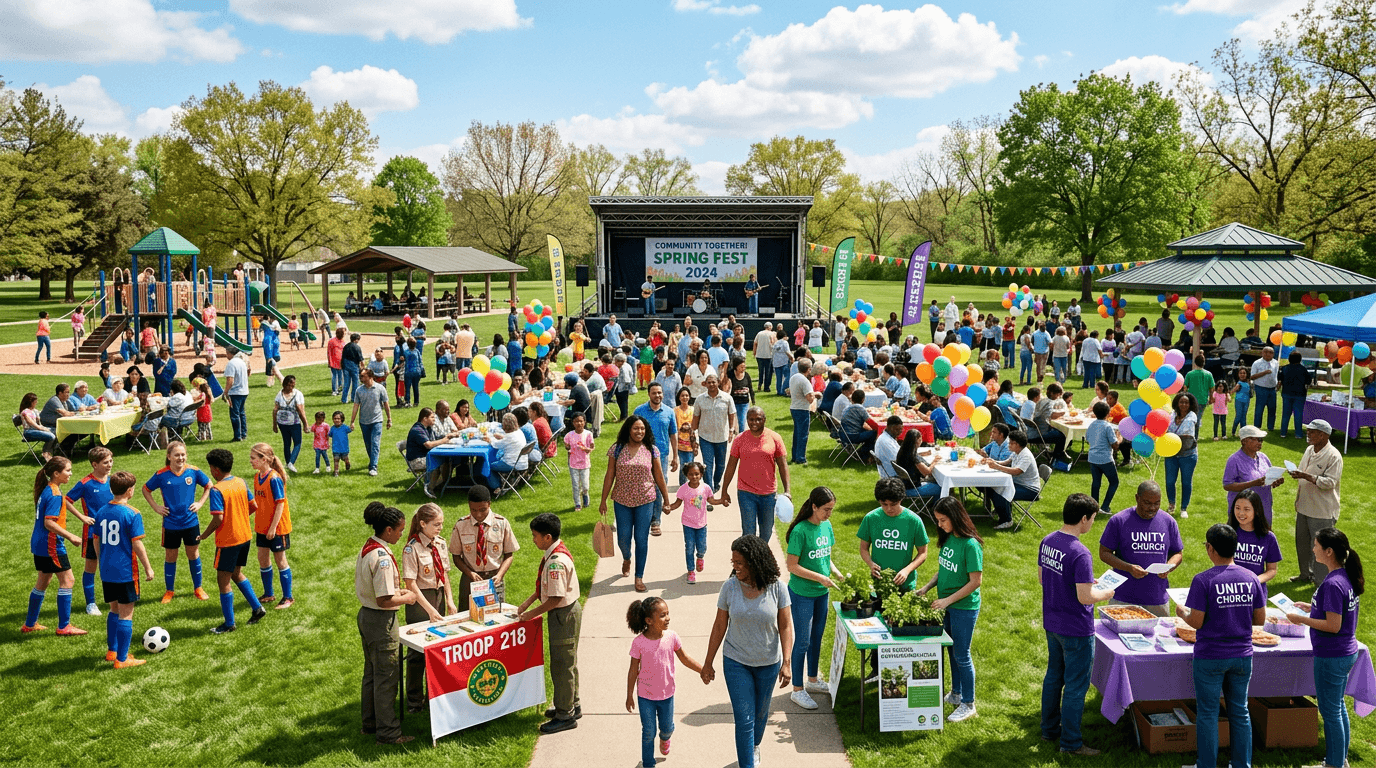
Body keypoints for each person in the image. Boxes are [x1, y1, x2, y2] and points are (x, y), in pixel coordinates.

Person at [1177, 524, 1265, 768]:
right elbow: (1260, 620)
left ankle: (1206, 764)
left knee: (1207, 713)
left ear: (1210, 549)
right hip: (1242, 656)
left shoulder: (1203, 580)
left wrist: (1182, 612)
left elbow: (1195, 621)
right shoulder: (1251, 578)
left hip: (1210, 656)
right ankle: (1241, 764)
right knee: (1240, 711)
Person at [700, 534, 792, 768]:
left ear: (755, 561)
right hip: (736, 661)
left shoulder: (777, 588)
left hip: (768, 662)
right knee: (744, 719)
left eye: (739, 563)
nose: (735, 568)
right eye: (733, 563)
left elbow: (785, 625)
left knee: (761, 715)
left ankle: (754, 746)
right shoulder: (730, 587)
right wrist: (708, 662)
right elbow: (720, 625)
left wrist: (787, 662)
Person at [1039, 493, 1114, 756]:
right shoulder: (1080, 552)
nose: (1093, 523)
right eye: (1093, 519)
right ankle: (1071, 744)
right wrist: (1105, 593)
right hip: (1076, 628)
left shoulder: (1048, 540)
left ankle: (1049, 731)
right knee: (1075, 686)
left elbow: (1042, 578)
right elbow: (1085, 597)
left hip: (1052, 622)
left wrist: (1083, 583)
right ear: (1084, 518)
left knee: (1053, 677)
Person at [1286, 527, 1364, 768]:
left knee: (1330, 713)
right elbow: (1337, 613)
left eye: (1316, 545)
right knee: (1337, 708)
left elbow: (1333, 625)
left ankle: (1333, 764)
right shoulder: (1345, 577)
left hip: (1332, 655)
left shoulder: (1332, 583)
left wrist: (1302, 619)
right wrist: (1313, 608)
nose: (1313, 548)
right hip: (1344, 652)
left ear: (1329, 552)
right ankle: (1341, 760)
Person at [514, 512, 582, 734]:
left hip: (563, 614)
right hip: (564, 612)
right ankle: (573, 703)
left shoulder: (555, 563)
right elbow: (545, 590)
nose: (533, 539)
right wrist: (527, 603)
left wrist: (531, 614)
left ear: (548, 537)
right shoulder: (554, 552)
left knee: (562, 665)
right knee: (568, 661)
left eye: (535, 536)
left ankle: (565, 715)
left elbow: (556, 598)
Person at [356, 502, 417, 745]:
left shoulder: (369, 547)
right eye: (400, 530)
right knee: (386, 677)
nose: (402, 534)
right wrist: (409, 597)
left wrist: (396, 590)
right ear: (388, 530)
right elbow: (384, 599)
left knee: (371, 674)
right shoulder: (382, 558)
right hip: (380, 621)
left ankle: (369, 724)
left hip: (366, 616)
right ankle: (389, 733)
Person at [918, 497, 983, 723]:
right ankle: (956, 693)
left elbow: (975, 581)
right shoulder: (948, 540)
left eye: (943, 520)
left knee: (962, 654)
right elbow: (943, 570)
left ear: (955, 517)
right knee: (950, 651)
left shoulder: (970, 545)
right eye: (937, 520)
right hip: (946, 604)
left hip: (963, 607)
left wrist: (947, 601)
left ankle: (969, 703)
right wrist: (926, 587)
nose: (940, 525)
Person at [625, 596, 702, 767]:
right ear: (649, 621)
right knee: (648, 732)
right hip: (645, 696)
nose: (667, 618)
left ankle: (665, 738)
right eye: (662, 615)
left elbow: (684, 658)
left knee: (667, 728)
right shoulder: (639, 643)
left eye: (668, 614)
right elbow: (632, 671)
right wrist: (629, 695)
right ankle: (648, 763)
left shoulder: (672, 637)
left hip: (667, 695)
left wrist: (702, 670)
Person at [783, 487, 841, 711]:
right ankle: (797, 690)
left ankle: (813, 680)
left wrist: (834, 572)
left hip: (821, 593)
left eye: (831, 510)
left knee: (817, 638)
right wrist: (820, 577)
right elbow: (792, 566)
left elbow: (825, 554)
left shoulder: (826, 526)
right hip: (802, 594)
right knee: (803, 641)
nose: (829, 514)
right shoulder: (800, 531)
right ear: (814, 507)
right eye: (826, 510)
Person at [89, 470, 155, 667]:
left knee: (113, 611)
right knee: (126, 614)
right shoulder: (132, 514)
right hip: (126, 571)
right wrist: (148, 568)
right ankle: (122, 659)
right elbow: (137, 544)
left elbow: (96, 540)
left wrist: (102, 559)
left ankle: (112, 651)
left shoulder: (101, 512)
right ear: (129, 491)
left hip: (107, 569)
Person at [196, 448, 266, 634]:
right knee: (236, 573)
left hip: (228, 541)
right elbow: (254, 506)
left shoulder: (217, 490)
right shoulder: (240, 482)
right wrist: (239, 517)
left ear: (215, 469)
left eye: (210, 467)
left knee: (223, 580)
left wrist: (204, 535)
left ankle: (229, 624)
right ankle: (257, 608)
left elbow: (218, 519)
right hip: (245, 537)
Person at [600, 415, 670, 593]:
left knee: (641, 539)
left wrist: (666, 500)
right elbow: (610, 475)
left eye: (642, 429)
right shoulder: (617, 449)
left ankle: (639, 577)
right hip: (622, 500)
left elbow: (659, 476)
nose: (639, 432)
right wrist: (603, 500)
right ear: (628, 430)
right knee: (623, 538)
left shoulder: (651, 450)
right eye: (636, 429)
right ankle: (627, 557)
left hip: (645, 500)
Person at [24, 456, 93, 636]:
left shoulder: (50, 489)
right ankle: (64, 626)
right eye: (67, 470)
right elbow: (49, 523)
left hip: (39, 543)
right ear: (56, 473)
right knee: (68, 580)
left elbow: (64, 502)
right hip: (51, 545)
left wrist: (81, 517)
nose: (71, 473)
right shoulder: (54, 494)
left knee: (43, 581)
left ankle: (30, 624)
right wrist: (71, 536)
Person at [141, 442, 212, 604]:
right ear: (169, 457)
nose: (180, 458)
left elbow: (209, 485)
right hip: (170, 525)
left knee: (193, 554)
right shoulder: (161, 475)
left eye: (183, 455)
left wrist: (200, 503)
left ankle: (198, 588)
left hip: (191, 523)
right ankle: (169, 591)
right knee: (170, 557)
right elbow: (145, 489)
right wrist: (156, 507)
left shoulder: (193, 471)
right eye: (177, 455)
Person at [1098, 481, 1183, 617]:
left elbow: (1178, 553)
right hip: (1123, 597)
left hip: (1157, 599)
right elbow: (1104, 553)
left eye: (1157, 503)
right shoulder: (1119, 521)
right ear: (1137, 498)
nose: (1152, 508)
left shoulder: (1168, 521)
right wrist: (1129, 568)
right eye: (1147, 503)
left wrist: (1169, 566)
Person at [402, 503, 456, 712]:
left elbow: (445, 575)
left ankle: (435, 695)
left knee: (437, 649)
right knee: (417, 653)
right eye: (436, 524)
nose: (440, 528)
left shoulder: (440, 544)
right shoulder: (412, 548)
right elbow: (410, 583)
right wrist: (430, 610)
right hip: (420, 602)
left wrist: (449, 601)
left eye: (441, 524)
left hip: (438, 596)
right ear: (422, 524)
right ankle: (414, 701)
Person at [1290, 419, 1343, 583]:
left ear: (1323, 435)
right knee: (1303, 544)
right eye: (1308, 430)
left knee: (1321, 548)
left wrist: (1306, 476)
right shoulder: (1309, 450)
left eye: (1312, 431)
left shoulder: (1334, 456)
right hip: (1304, 506)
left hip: (1322, 511)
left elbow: (1329, 483)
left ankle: (1320, 582)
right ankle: (1305, 574)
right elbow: (1302, 470)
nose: (1308, 433)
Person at [859, 477, 931, 596]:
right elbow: (863, 548)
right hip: (879, 582)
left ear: (901, 499)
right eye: (884, 504)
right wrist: (871, 564)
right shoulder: (871, 518)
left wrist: (907, 570)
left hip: (905, 583)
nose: (889, 509)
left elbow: (923, 553)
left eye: (893, 504)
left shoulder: (913, 521)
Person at [249, 443, 294, 609]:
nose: (251, 461)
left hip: (276, 527)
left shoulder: (274, 478)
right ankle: (269, 594)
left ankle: (288, 597)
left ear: (264, 459)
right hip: (262, 526)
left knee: (280, 559)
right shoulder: (257, 477)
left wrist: (273, 528)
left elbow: (280, 505)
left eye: (253, 458)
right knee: (262, 557)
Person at [633, 382, 678, 538]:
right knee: (642, 486)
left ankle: (655, 521)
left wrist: (676, 456)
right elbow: (631, 433)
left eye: (660, 393)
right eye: (654, 393)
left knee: (659, 485)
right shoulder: (639, 411)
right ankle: (642, 518)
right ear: (649, 394)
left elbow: (673, 434)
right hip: (641, 454)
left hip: (662, 455)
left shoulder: (669, 412)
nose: (657, 395)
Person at [667, 461, 723, 584]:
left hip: (702, 524)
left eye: (697, 474)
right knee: (689, 548)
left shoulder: (706, 488)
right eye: (691, 474)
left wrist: (722, 501)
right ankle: (691, 571)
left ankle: (700, 557)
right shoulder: (683, 489)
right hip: (687, 524)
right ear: (686, 475)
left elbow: (711, 501)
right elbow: (677, 503)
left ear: (701, 474)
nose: (694, 477)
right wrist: (669, 507)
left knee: (702, 547)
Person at [1222, 425, 1283, 523]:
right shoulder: (1234, 460)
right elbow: (1227, 485)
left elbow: (1269, 478)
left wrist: (1275, 481)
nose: (1260, 443)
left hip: (1264, 508)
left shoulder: (1263, 457)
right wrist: (1253, 483)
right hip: (1243, 512)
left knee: (1264, 537)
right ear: (1244, 441)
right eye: (1257, 439)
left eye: (1261, 440)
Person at [983, 429, 1042, 529]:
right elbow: (1007, 462)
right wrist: (992, 461)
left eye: (1011, 443)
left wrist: (996, 466)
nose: (1009, 445)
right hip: (1018, 483)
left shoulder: (1026, 455)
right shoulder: (1016, 452)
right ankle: (1001, 510)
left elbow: (1017, 471)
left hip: (1030, 489)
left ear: (1017, 444)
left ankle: (1006, 520)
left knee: (999, 493)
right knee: (994, 488)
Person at [1228, 488, 1282, 595]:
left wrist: (1254, 581)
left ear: (1256, 511)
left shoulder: (1269, 537)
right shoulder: (1227, 533)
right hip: (1230, 589)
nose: (1241, 513)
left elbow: (1272, 570)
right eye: (1237, 508)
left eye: (1246, 509)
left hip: (1256, 591)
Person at [693, 373, 736, 492]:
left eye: (714, 382)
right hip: (705, 437)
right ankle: (709, 490)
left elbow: (732, 414)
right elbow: (695, 418)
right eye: (709, 382)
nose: (711, 384)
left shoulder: (727, 398)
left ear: (718, 383)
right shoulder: (700, 399)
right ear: (705, 384)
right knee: (707, 464)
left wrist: (732, 430)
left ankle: (716, 482)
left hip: (721, 437)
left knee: (720, 465)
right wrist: (693, 434)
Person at [350, 368, 392, 477]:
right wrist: (352, 421)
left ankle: (373, 467)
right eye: (360, 376)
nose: (361, 378)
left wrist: (389, 419)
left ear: (370, 376)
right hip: (364, 421)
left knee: (375, 443)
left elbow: (386, 405)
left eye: (363, 376)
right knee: (368, 444)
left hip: (377, 420)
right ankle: (373, 460)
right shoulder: (359, 390)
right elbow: (355, 406)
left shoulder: (380, 388)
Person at [1162, 393, 1199, 517]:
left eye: (1186, 402)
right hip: (1171, 454)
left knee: (1186, 482)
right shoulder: (1171, 415)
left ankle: (1184, 508)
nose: (1184, 404)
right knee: (1169, 481)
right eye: (1181, 402)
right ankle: (1171, 504)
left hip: (1188, 454)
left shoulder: (1192, 416)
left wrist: (1171, 436)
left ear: (1190, 404)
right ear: (1177, 403)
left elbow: (1187, 431)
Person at [1085, 402, 1121, 511]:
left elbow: (1087, 439)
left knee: (1096, 482)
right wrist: (1119, 438)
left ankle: (1094, 507)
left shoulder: (1091, 425)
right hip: (1105, 459)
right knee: (1114, 482)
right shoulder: (1107, 426)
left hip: (1093, 458)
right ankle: (1105, 507)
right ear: (1108, 413)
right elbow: (1115, 446)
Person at [786, 359, 818, 465]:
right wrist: (816, 395)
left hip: (794, 407)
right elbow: (810, 398)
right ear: (809, 369)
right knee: (803, 434)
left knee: (797, 433)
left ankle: (795, 455)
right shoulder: (805, 381)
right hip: (802, 409)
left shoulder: (794, 377)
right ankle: (800, 458)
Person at [563, 412, 595, 511]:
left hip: (585, 464)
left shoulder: (588, 434)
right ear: (573, 423)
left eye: (581, 421)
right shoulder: (569, 435)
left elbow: (592, 447)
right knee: (575, 485)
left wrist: (586, 449)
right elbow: (567, 446)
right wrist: (568, 448)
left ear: (584, 422)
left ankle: (585, 495)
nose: (579, 423)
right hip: (573, 464)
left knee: (585, 485)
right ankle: (577, 504)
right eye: (576, 421)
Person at [1278, 349, 1312, 438]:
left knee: (1285, 413)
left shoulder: (1284, 368)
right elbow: (1308, 381)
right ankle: (1298, 433)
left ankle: (1283, 433)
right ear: (1300, 359)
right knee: (1298, 414)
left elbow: (1280, 378)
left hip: (1286, 393)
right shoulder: (1303, 369)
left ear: (1289, 359)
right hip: (1299, 394)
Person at [223, 348, 250, 442]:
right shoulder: (242, 362)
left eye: (227, 353)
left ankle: (237, 436)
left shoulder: (231, 364)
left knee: (234, 415)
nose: (226, 355)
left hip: (235, 392)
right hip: (244, 391)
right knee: (241, 413)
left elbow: (230, 380)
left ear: (230, 353)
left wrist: (225, 392)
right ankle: (243, 434)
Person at [1250, 345, 1278, 430]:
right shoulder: (1257, 363)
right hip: (1261, 388)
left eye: (1270, 353)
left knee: (1272, 409)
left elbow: (1277, 375)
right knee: (1259, 408)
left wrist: (1278, 384)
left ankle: (1270, 427)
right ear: (1262, 353)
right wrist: (1264, 373)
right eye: (1266, 352)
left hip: (1272, 388)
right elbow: (1252, 377)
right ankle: (1257, 426)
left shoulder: (1276, 363)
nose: (1268, 354)